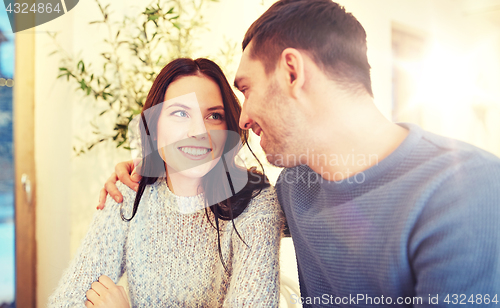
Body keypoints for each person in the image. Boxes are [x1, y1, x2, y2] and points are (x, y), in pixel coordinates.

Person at [101, 0, 500, 307]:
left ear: (292, 72)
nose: (244, 119)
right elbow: (218, 203)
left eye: (247, 89)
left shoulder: (468, 193)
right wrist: (146, 171)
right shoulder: (294, 187)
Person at [49, 58, 285, 307]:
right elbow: (66, 301)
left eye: (214, 115)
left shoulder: (255, 202)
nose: (199, 132)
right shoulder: (129, 194)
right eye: (180, 113)